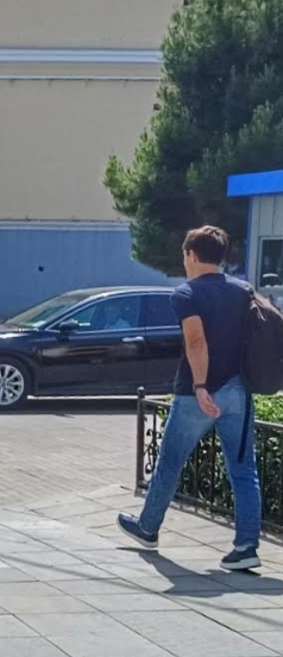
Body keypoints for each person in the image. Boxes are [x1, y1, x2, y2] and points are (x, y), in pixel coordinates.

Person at [118, 226, 261, 571]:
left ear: (192, 255)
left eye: (184, 255)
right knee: (244, 470)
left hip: (197, 393)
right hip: (239, 389)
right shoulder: (243, 291)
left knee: (171, 461)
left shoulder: (186, 294)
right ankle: (246, 547)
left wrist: (200, 386)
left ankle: (148, 528)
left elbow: (196, 342)